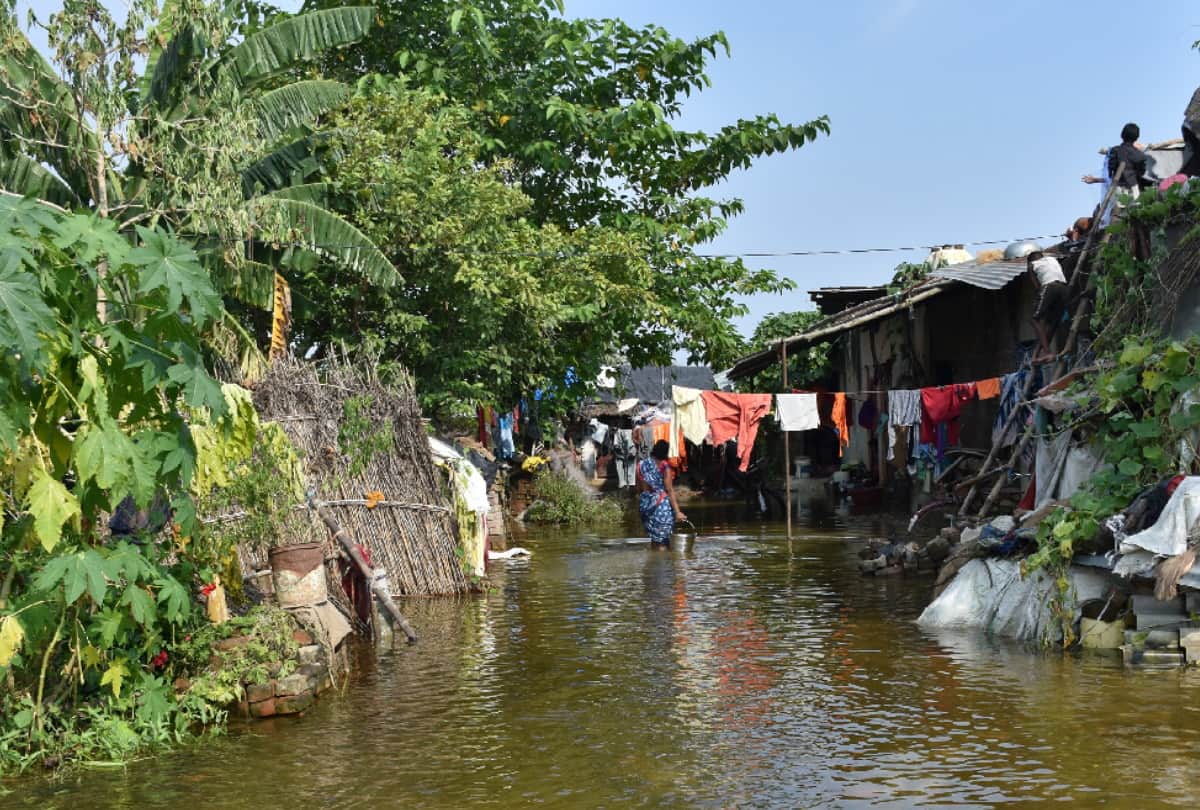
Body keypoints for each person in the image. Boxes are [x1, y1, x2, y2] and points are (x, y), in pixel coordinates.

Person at [637, 440, 687, 547]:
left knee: (655, 540)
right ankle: (663, 562)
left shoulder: (641, 465)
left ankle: (653, 561)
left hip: (645, 506)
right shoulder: (664, 466)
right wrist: (678, 512)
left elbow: (639, 488)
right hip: (661, 507)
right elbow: (669, 490)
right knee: (664, 542)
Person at [1027, 251, 1068, 363]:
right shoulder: (1052, 259)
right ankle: (1037, 354)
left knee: (1034, 319)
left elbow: (1037, 287)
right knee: (1053, 322)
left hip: (1050, 286)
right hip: (1063, 288)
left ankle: (1048, 352)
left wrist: (1041, 299)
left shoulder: (1032, 265)